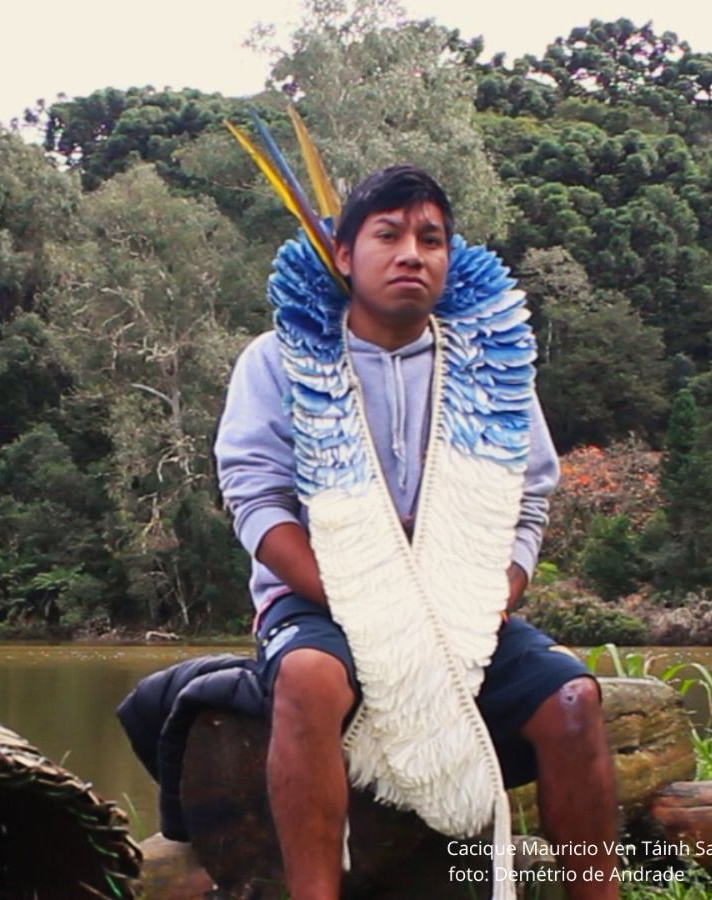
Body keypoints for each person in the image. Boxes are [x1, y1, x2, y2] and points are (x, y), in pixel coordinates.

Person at [213, 165, 618, 899]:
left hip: (457, 611)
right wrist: (364, 607)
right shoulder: (276, 360)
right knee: (308, 677)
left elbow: (528, 502)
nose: (412, 254)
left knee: (571, 701)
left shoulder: (489, 369)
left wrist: (494, 600)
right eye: (389, 234)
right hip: (321, 603)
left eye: (432, 239)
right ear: (342, 253)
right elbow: (256, 500)